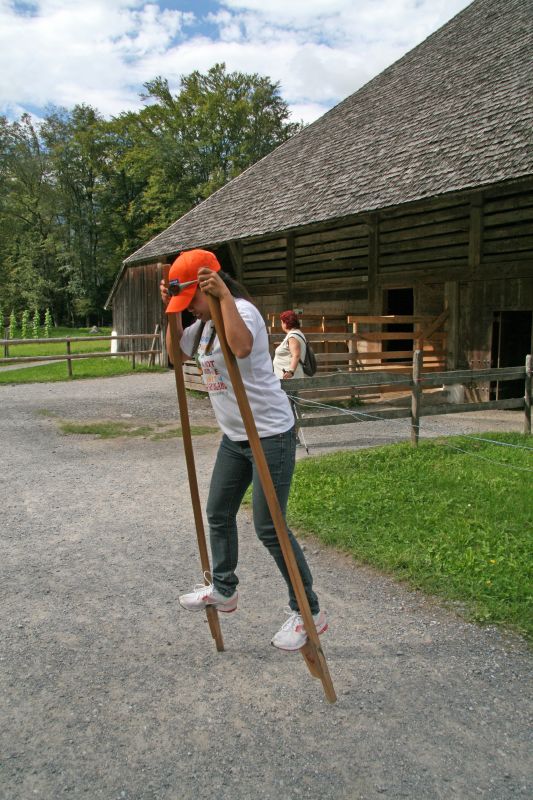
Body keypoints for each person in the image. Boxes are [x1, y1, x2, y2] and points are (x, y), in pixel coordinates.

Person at [160, 249, 327, 651]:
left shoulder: (242, 311)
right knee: (218, 511)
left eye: (193, 302)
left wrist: (222, 300)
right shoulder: (200, 328)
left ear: (211, 285)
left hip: (269, 434)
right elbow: (174, 356)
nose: (192, 311)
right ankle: (224, 588)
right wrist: (169, 311)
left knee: (269, 527)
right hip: (235, 439)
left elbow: (241, 347)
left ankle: (310, 613)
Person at [273, 310, 307, 380]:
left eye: (282, 322)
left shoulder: (293, 336)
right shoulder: (297, 333)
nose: (281, 324)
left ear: (286, 323)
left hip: (288, 379)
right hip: (288, 377)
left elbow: (296, 355)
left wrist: (290, 372)